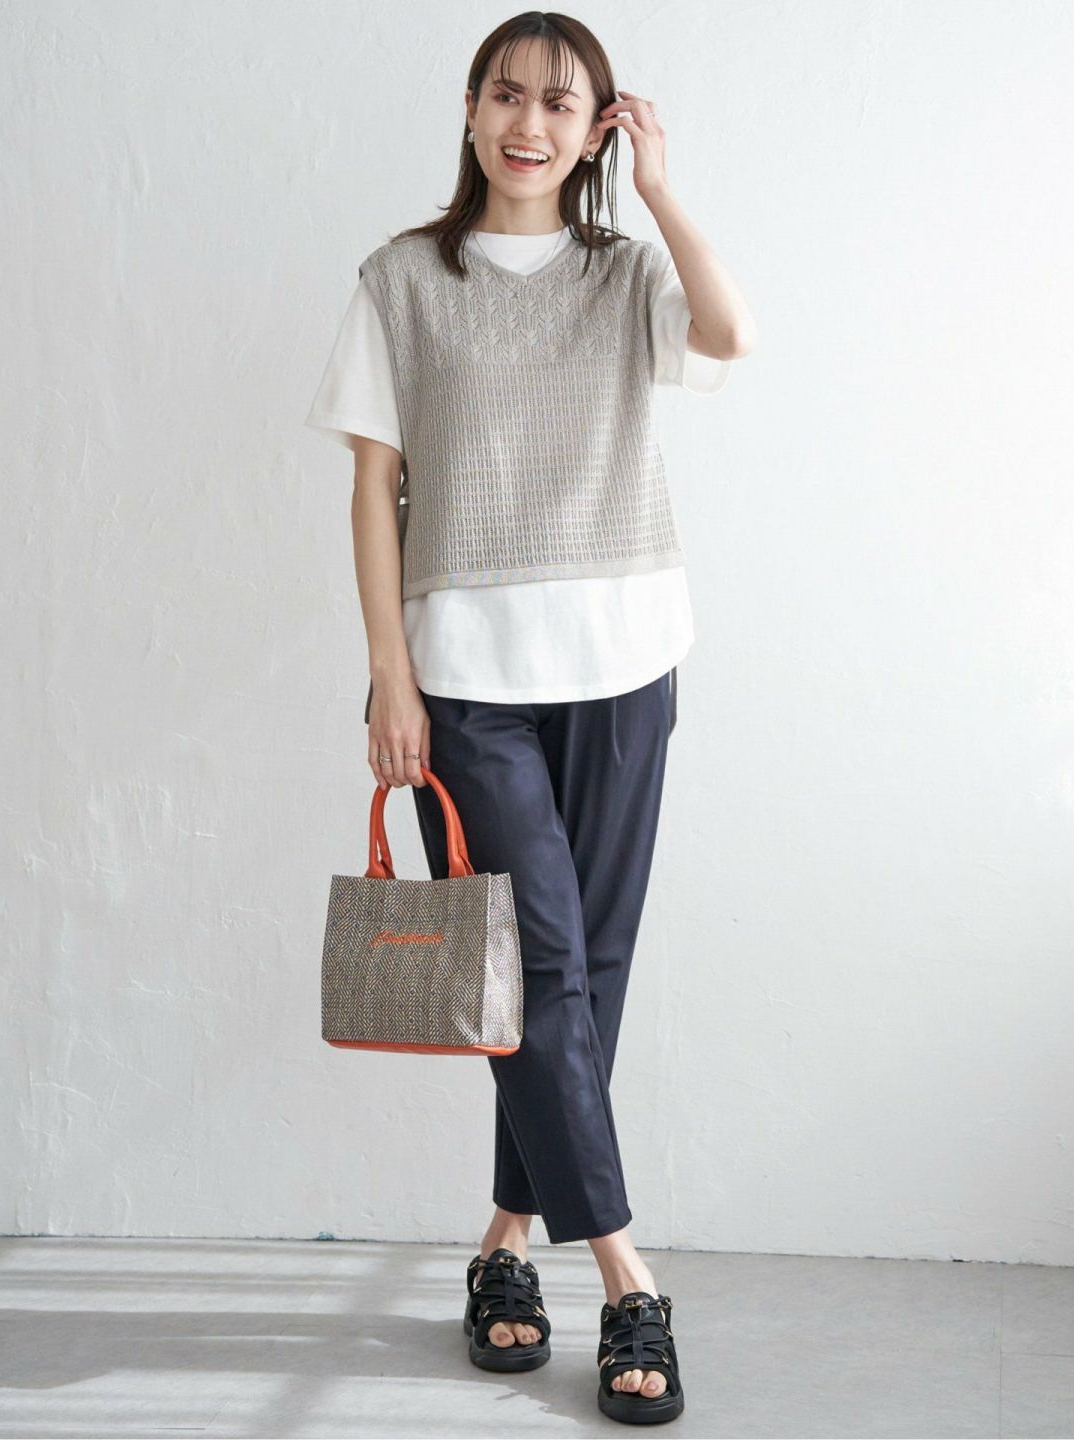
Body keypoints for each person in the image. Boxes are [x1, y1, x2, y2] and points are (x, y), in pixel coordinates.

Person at [305, 11, 756, 1425]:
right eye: (508, 95)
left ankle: (505, 1241)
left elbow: (732, 336)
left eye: (563, 104)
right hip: (467, 679)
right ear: (469, 106)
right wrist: (389, 673)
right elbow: (372, 486)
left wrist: (661, 189)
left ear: (596, 126)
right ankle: (626, 1277)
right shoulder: (403, 278)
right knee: (544, 964)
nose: (529, 124)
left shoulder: (624, 272)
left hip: (627, 658)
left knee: (582, 971)